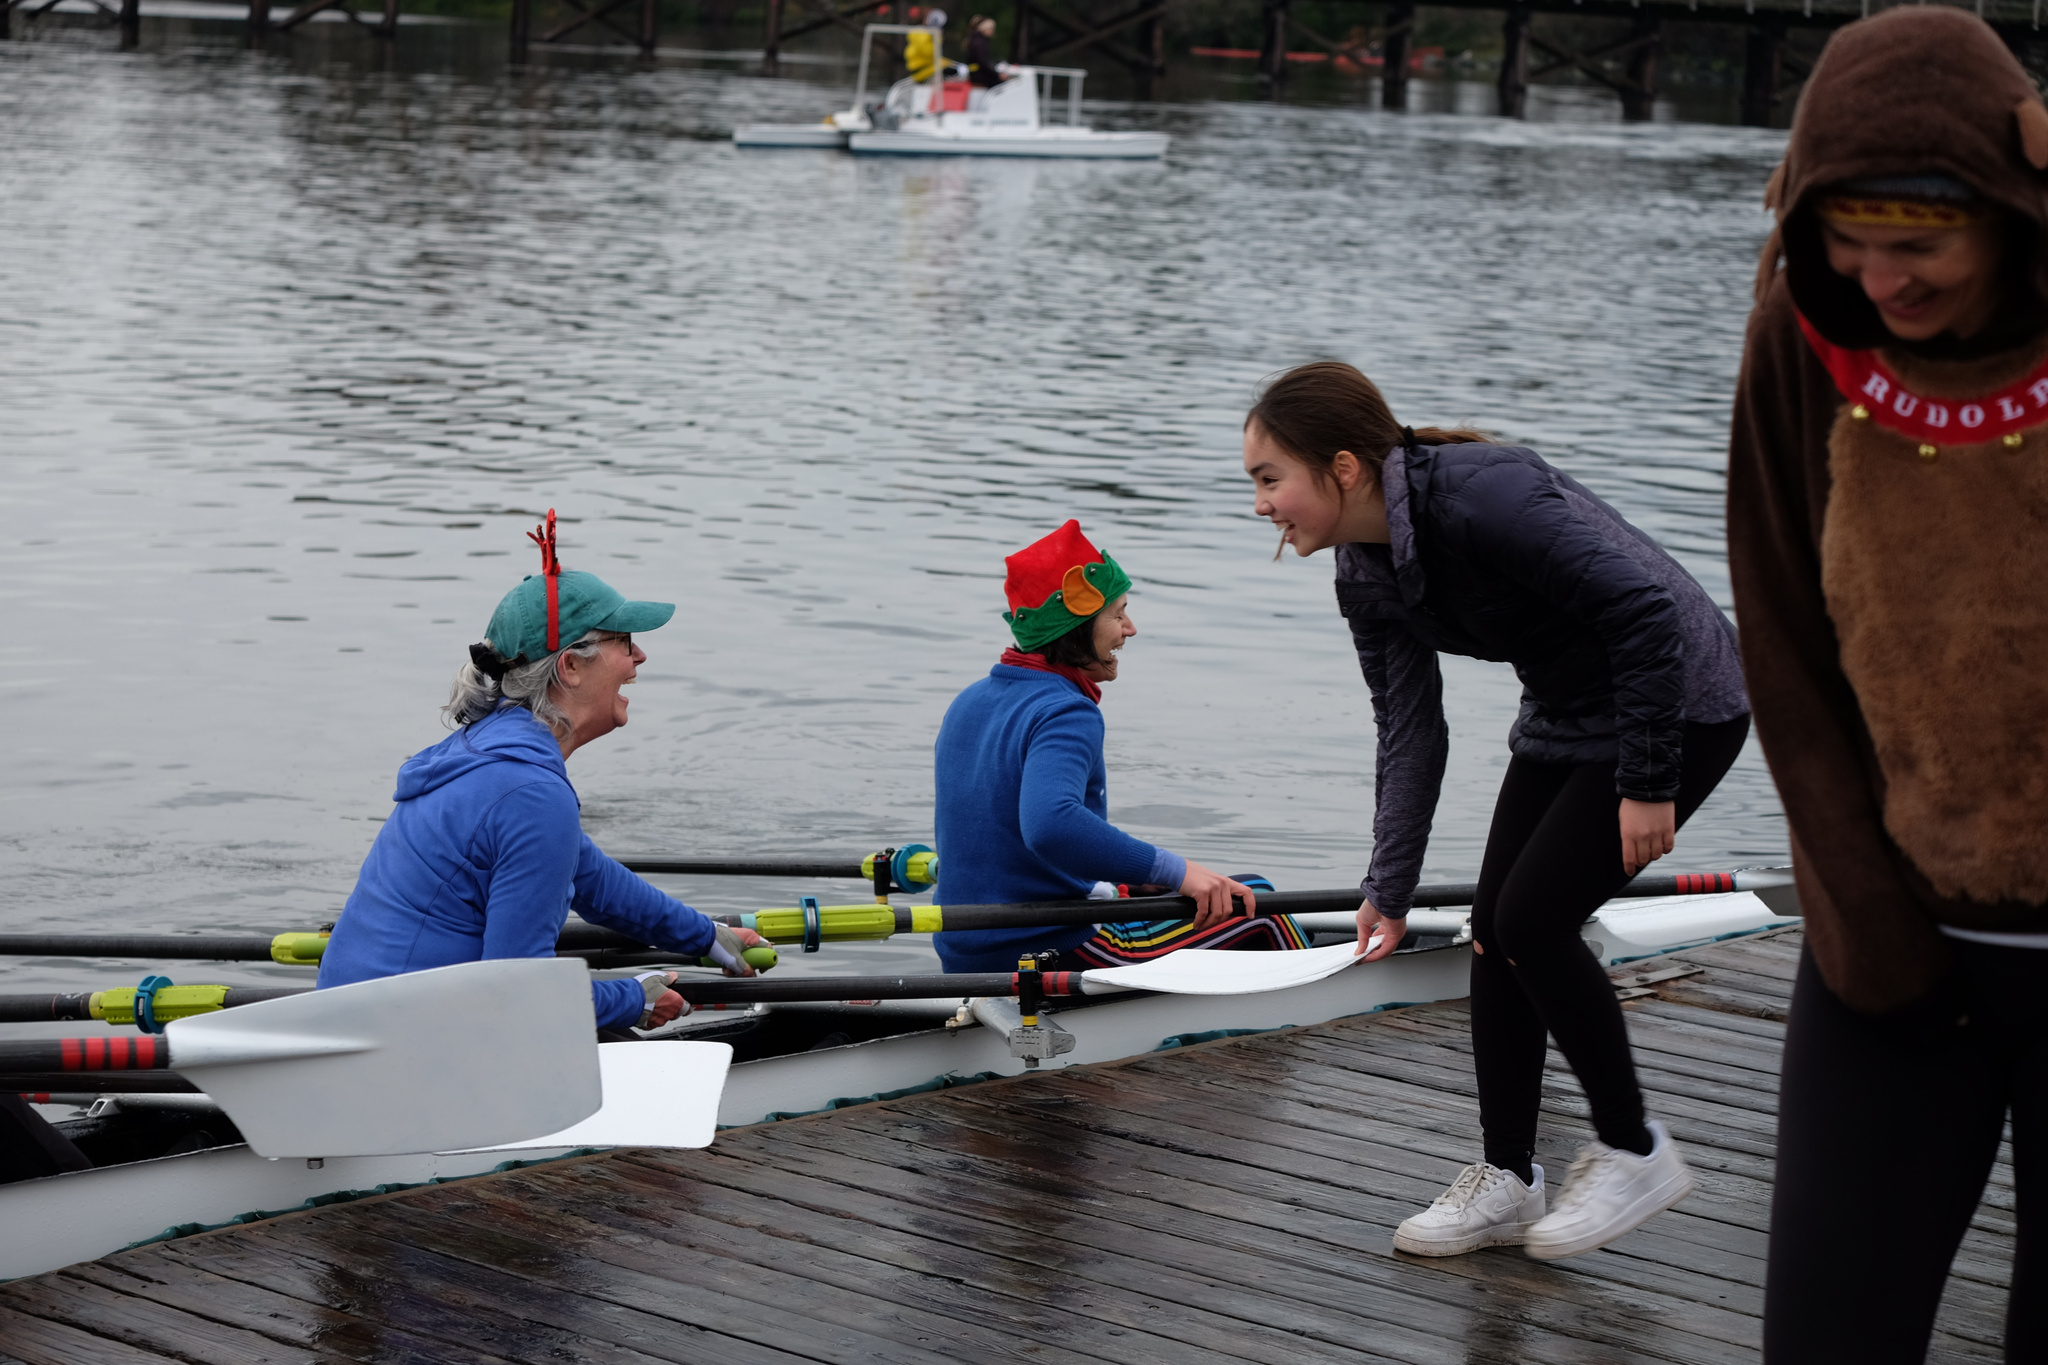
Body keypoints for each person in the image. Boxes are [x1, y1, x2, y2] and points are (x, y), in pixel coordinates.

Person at [1245, 362, 1750, 1260]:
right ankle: (1510, 1178)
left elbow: (1643, 614)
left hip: (1678, 703)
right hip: (1566, 716)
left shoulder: (1486, 496)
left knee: (1534, 919)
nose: (1261, 505)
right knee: (1495, 929)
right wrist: (1388, 886)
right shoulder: (1366, 574)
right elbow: (1410, 733)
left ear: (1345, 467)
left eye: (1268, 478)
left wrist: (1647, 780)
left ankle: (1636, 1148)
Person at [1726, 10, 2048, 1359]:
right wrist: (1858, 911)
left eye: (1921, 246)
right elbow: (1783, 633)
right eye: (1849, 242)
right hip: (1893, 943)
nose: (1882, 281)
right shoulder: (1806, 333)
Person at [318, 513, 768, 1036]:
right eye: (623, 640)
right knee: (610, 1030)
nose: (639, 656)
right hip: (407, 1043)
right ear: (570, 667)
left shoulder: (482, 753)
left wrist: (706, 936)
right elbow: (517, 992)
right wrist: (632, 1000)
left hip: (353, 1020)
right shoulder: (530, 794)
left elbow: (591, 880)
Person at [930, 519, 1302, 974]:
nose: (1131, 628)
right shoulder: (1065, 710)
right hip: (1052, 948)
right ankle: (1328, 1018)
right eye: (1117, 614)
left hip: (965, 949)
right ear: (1076, 627)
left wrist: (1135, 878)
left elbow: (1002, 840)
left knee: (1174, 892)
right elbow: (1051, 827)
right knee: (1260, 901)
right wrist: (1176, 871)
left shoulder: (971, 700)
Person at [963, 14, 1007, 88]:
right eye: (992, 29)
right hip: (980, 77)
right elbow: (984, 63)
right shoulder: (980, 43)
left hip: (977, 75)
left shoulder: (976, 40)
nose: (993, 31)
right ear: (986, 29)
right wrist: (997, 75)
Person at [904, 8, 946, 85]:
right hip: (922, 70)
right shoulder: (920, 33)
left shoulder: (922, 33)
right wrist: (938, 37)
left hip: (924, 68)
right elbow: (930, 52)